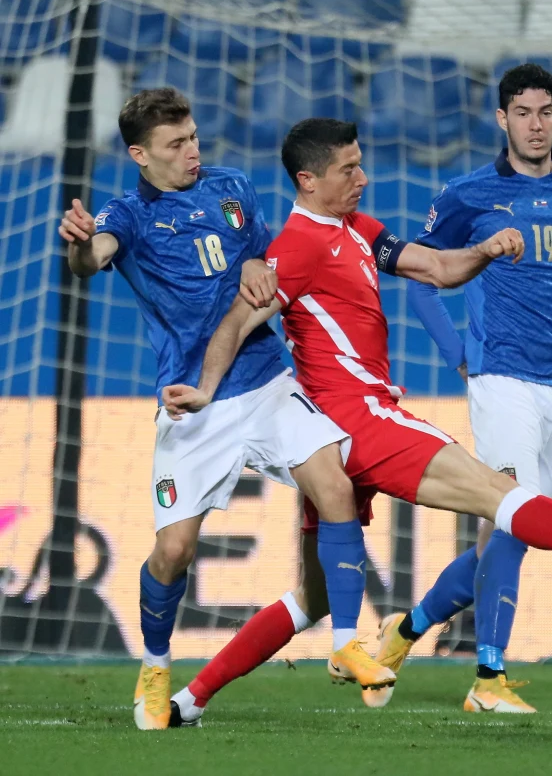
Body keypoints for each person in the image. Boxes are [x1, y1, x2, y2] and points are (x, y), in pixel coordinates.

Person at [161, 118, 552, 725]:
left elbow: (434, 268)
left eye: (360, 163)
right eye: (348, 169)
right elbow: (236, 323)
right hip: (361, 419)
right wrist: (207, 390)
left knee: (316, 595)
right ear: (308, 180)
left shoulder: (358, 229)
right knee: (499, 494)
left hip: (330, 436)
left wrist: (483, 251)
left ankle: (189, 700)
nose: (362, 177)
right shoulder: (296, 248)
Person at [57, 90, 391, 731]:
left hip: (265, 380)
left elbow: (269, 254)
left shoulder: (233, 186)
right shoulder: (128, 214)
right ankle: (156, 666)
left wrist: (260, 264)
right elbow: (92, 259)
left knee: (335, 484)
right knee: (174, 551)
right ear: (140, 154)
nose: (192, 151)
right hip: (193, 401)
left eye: (193, 137)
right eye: (175, 144)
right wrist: (78, 246)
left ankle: (346, 641)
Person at [377, 63, 552, 714]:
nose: (536, 125)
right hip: (502, 377)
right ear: (502, 119)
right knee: (513, 515)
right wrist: (460, 355)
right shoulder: (468, 193)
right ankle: (488, 678)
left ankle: (404, 631)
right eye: (523, 113)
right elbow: (421, 279)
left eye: (546, 112)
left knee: (508, 534)